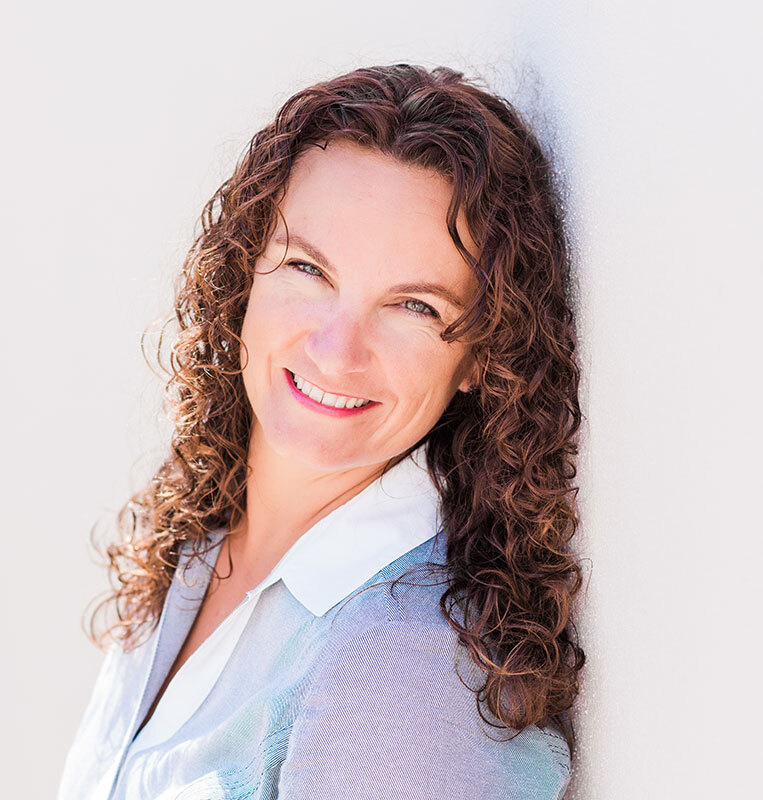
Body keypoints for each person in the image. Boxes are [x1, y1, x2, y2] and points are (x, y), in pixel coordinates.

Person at [57, 63, 585, 799]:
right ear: (246, 274)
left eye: (416, 307)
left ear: (479, 356)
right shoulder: (193, 552)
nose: (337, 350)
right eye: (308, 267)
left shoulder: (405, 671)